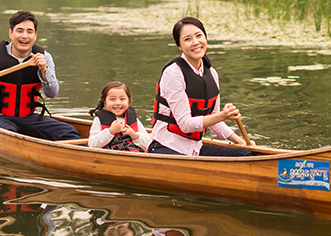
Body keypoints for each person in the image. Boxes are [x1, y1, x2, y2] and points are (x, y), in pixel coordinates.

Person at [0, 10, 81, 141]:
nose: (24, 36)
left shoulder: (44, 57)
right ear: (11, 33)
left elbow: (52, 93)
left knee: (69, 133)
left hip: (29, 117)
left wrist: (44, 70)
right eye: (20, 31)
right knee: (11, 135)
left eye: (29, 31)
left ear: (35, 35)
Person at [148, 15, 255, 157]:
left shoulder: (211, 73)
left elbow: (214, 120)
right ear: (179, 46)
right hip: (166, 146)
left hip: (195, 149)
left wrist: (241, 142)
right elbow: (185, 124)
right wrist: (223, 116)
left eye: (199, 36)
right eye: (187, 39)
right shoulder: (173, 73)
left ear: (205, 37)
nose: (195, 42)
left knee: (245, 153)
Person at [87, 81, 150, 152]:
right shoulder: (99, 119)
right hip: (110, 156)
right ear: (105, 103)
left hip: (134, 156)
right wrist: (110, 132)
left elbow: (148, 144)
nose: (117, 103)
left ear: (128, 101)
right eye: (112, 99)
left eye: (122, 99)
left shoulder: (133, 119)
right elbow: (92, 144)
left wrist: (135, 136)